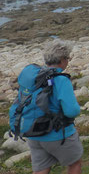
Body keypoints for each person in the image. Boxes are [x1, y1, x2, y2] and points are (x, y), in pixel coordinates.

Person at [24, 40, 83, 174]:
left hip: (33, 133)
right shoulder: (61, 79)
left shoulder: (35, 77)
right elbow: (71, 111)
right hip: (57, 133)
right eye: (67, 58)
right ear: (62, 59)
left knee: (41, 170)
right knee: (75, 163)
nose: (68, 61)